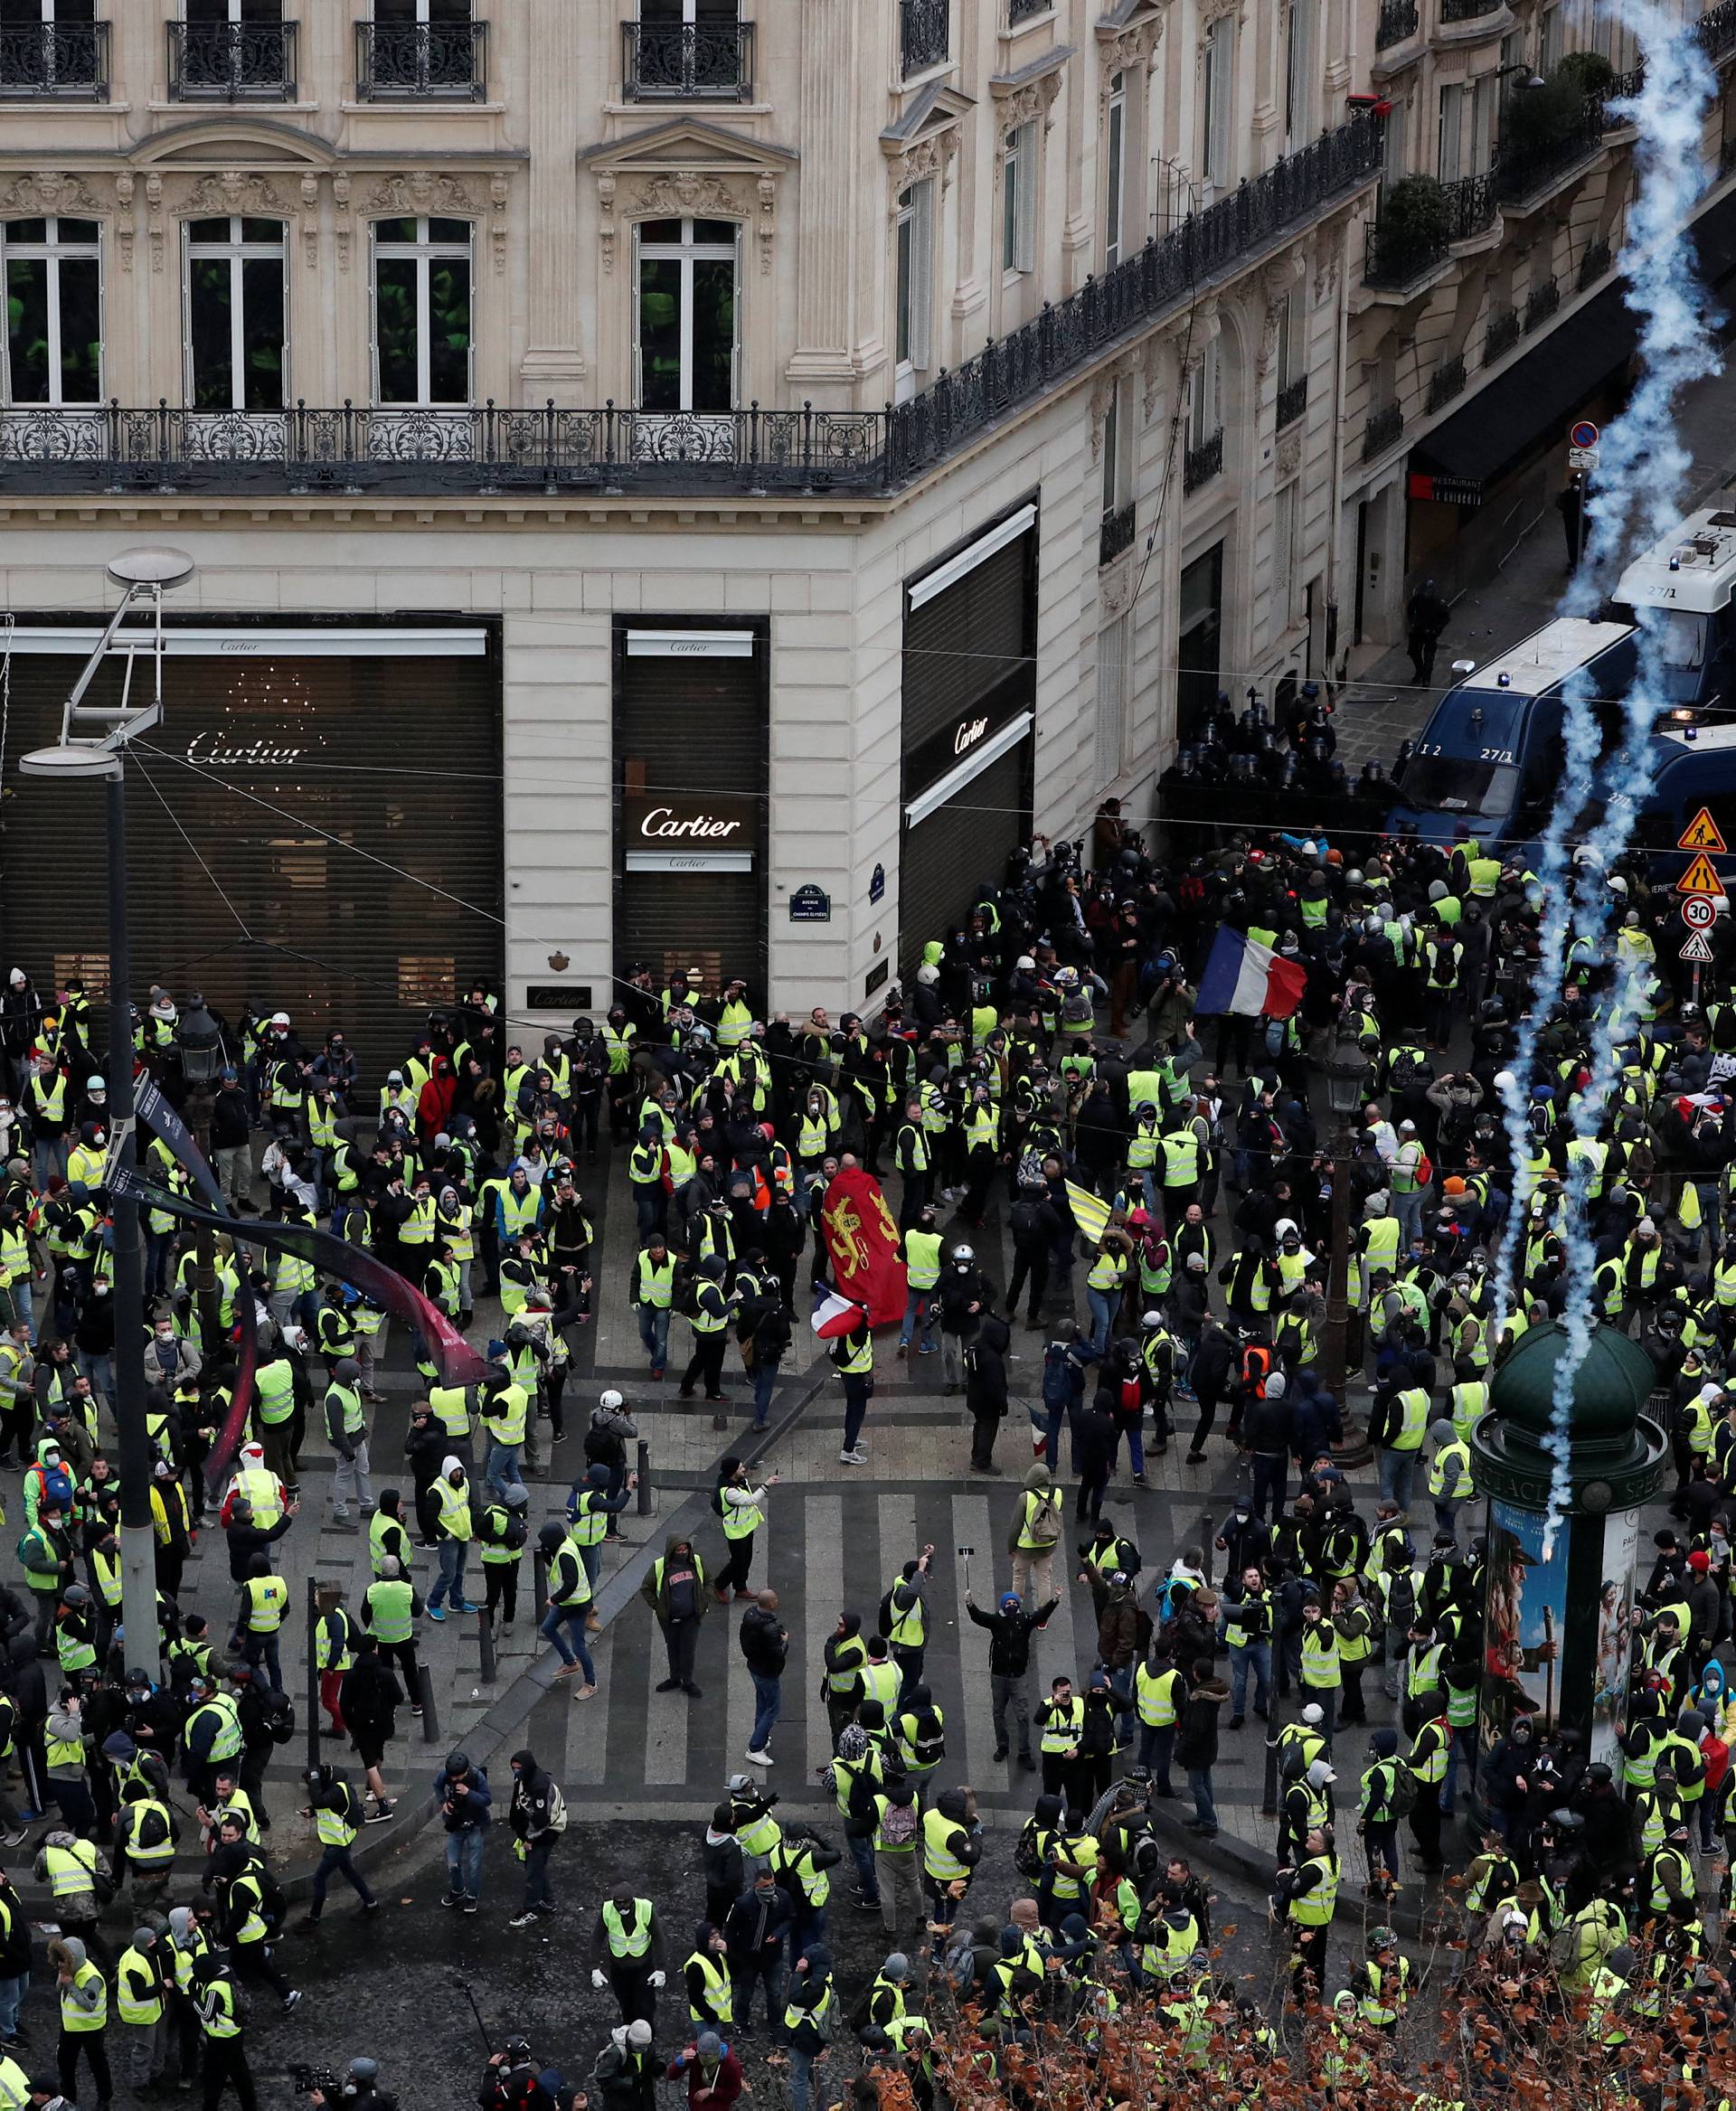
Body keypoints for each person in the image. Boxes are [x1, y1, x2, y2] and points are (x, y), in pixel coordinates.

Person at [964, 1584, 1056, 1769]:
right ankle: (1003, 1747)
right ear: (1004, 1605)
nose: (1012, 1605)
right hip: (999, 1676)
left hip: (1018, 1676)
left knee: (1022, 1715)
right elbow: (979, 1617)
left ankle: (1024, 1752)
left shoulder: (1025, 1620)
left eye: (1014, 1602)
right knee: (998, 1713)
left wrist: (1054, 1601)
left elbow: (1042, 1615)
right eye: (1009, 1602)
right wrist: (970, 1605)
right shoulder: (997, 1621)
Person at [302, 1763, 379, 1924]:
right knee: (350, 1872)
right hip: (337, 1842)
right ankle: (372, 1905)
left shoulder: (338, 1790)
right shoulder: (334, 1787)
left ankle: (314, 1918)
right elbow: (326, 1804)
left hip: (338, 1844)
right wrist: (312, 1810)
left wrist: (314, 1782)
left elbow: (321, 1800)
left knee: (318, 1878)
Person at [590, 1885, 667, 2029]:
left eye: (624, 1902)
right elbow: (596, 1939)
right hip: (619, 1969)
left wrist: (661, 1968)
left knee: (645, 2008)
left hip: (643, 1969)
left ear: (632, 1901)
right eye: (617, 1903)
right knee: (626, 2006)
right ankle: (629, 2038)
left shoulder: (645, 1909)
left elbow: (659, 1937)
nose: (621, 1906)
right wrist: (595, 1967)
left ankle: (647, 2039)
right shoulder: (607, 1910)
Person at [507, 1748, 567, 1928]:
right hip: (534, 1829)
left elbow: (541, 1820)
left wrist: (529, 1840)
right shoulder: (524, 1779)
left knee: (533, 1868)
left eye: (518, 1767)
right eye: (513, 1768)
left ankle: (530, 1910)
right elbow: (517, 1804)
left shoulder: (539, 1786)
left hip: (547, 1831)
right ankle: (547, 1901)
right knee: (536, 1866)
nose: (516, 1771)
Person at [642, 1533, 707, 1698]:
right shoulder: (659, 1567)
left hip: (691, 1618)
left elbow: (709, 1580)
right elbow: (646, 1588)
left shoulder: (696, 1562)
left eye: (685, 1549)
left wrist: (704, 1600)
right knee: (673, 1647)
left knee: (688, 1650)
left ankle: (688, 1681)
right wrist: (658, 1607)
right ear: (672, 1550)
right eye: (679, 1550)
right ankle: (675, 1678)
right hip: (669, 1619)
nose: (683, 1552)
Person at [48, 1937, 109, 2108]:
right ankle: (69, 2095)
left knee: (98, 2065)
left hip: (91, 2029)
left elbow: (89, 2005)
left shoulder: (91, 1977)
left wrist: (71, 1984)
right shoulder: (69, 1969)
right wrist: (62, 1978)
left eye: (63, 1960)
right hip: (70, 2027)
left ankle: (104, 2098)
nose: (60, 1965)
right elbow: (58, 1990)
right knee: (65, 2063)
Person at [193, 1954, 256, 2111]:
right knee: (241, 2076)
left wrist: (193, 1998)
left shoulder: (215, 1989)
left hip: (221, 2040)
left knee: (214, 2080)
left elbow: (207, 2014)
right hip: (235, 2034)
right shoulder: (227, 1974)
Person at [435, 1749, 491, 1912]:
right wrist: (443, 1801)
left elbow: (487, 1799)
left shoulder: (477, 1777)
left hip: (475, 1825)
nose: (453, 1780)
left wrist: (469, 1793)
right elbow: (437, 1785)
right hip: (456, 1823)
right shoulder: (447, 1773)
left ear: (465, 1771)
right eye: (451, 1777)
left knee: (474, 1864)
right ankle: (458, 1890)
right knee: (453, 1862)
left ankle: (472, 1896)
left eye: (457, 1777)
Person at [740, 1590, 788, 1769]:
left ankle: (761, 1736)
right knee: (772, 1709)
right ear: (771, 1603)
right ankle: (755, 1748)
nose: (777, 1600)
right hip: (768, 1671)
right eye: (775, 1598)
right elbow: (778, 1653)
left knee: (762, 1702)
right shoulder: (770, 1628)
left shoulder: (750, 1615)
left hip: (754, 1667)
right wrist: (785, 1641)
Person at [1406, 578, 1449, 686]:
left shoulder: (1437, 602)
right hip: (1418, 630)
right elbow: (1410, 610)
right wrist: (1412, 622)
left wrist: (1437, 629)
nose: (1426, 594)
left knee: (1429, 657)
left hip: (1431, 632)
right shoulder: (1418, 599)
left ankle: (1426, 679)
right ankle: (1420, 671)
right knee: (1413, 652)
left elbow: (1445, 617)